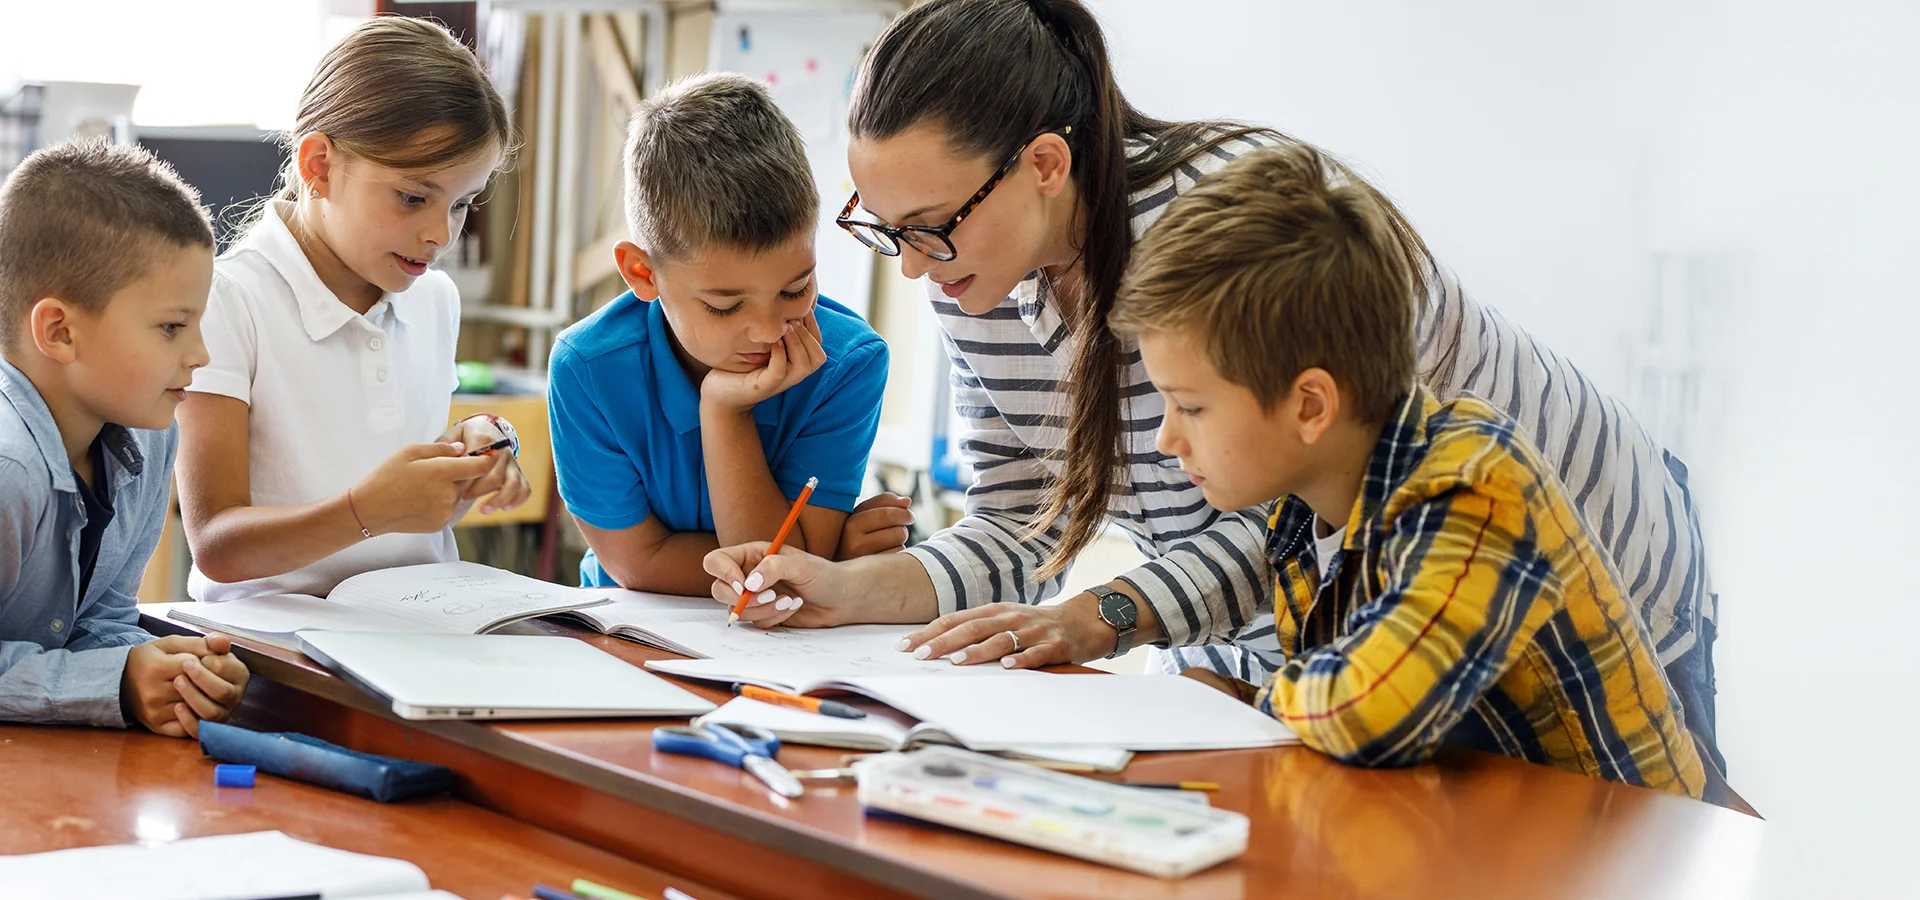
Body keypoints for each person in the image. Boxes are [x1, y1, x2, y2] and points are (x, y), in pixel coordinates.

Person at [702, 0, 1722, 774]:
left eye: (930, 228)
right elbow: (1024, 524)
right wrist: (850, 593)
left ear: (1044, 165)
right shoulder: (980, 274)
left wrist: (1117, 618)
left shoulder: (1239, 231)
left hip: (1573, 575)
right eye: (888, 232)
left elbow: (1317, 492)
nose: (915, 267)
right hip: (1321, 650)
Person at [1118, 144, 1714, 800]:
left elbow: (1369, 711)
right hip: (1488, 845)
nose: (1166, 438)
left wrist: (1243, 704)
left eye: (1191, 407)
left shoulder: (1477, 484)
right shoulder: (1303, 514)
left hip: (1620, 866)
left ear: (1310, 406)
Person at [177, 16, 530, 603]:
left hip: (422, 620)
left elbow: (400, 495)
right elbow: (217, 546)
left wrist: (467, 453)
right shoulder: (229, 299)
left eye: (463, 204)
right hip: (278, 646)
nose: (439, 235)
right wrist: (365, 510)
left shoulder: (435, 298)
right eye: (413, 198)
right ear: (318, 165)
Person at [548, 73, 896, 597]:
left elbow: (784, 571)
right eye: (724, 305)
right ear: (643, 274)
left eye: (796, 289)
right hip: (625, 632)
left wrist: (724, 412)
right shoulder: (588, 369)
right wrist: (827, 558)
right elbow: (637, 565)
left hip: (782, 650)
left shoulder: (847, 364)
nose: (768, 329)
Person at [0, 140, 250, 736]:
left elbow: (99, 617)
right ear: (60, 331)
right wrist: (106, 682)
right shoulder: (8, 469)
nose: (200, 354)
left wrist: (167, 672)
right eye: (171, 327)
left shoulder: (149, 435)